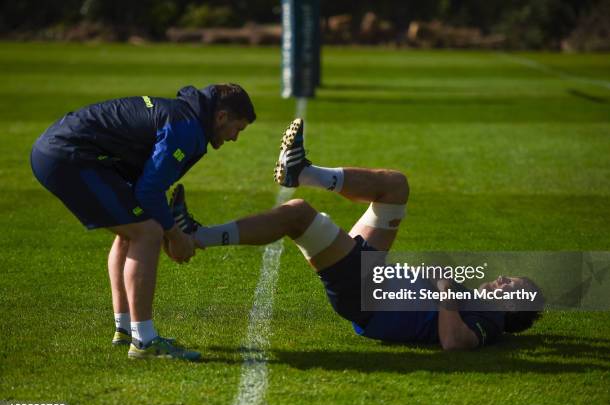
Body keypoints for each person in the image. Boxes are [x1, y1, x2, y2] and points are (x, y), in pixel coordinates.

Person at [172, 118, 543, 350]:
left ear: (513, 305)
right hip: (374, 275)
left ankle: (195, 237)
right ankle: (303, 172)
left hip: (368, 300)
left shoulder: (490, 322)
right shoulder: (481, 306)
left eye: (510, 284)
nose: (500, 279)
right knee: (396, 186)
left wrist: (445, 288)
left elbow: (454, 342)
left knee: (297, 214)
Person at [31, 83, 256, 360]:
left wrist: (168, 230)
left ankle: (126, 328)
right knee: (146, 233)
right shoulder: (186, 128)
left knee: (132, 231)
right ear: (221, 117)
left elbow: (146, 188)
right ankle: (145, 341)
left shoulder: (185, 117)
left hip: (58, 149)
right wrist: (174, 236)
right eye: (239, 128)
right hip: (67, 156)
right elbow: (148, 191)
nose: (235, 138)